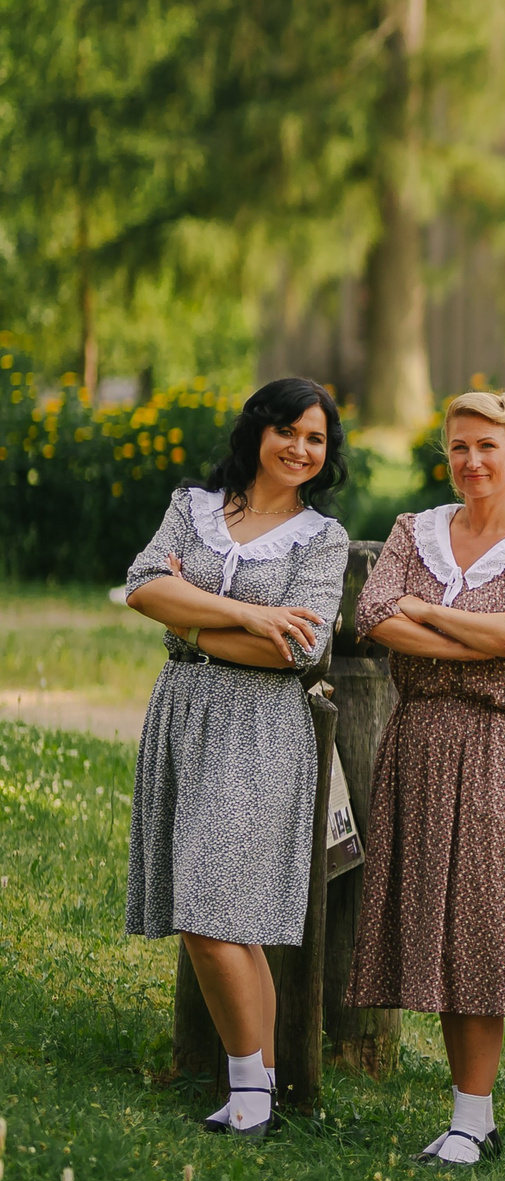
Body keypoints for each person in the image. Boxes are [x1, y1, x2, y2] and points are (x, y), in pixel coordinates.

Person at [124, 378, 353, 1139]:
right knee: (222, 918)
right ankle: (253, 1085)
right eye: (287, 429)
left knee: (215, 909)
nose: (299, 447)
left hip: (261, 727)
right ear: (259, 430)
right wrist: (250, 612)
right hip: (185, 713)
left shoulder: (322, 538)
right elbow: (143, 586)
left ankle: (252, 1089)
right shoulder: (192, 506)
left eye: (315, 438)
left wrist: (191, 618)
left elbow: (302, 648)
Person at [348, 390, 505, 1167]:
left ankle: (476, 1117)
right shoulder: (416, 531)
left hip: (498, 747)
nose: (473, 461)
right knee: (433, 924)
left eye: (488, 446)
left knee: (481, 922)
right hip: (419, 740)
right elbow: (372, 614)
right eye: (459, 447)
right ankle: (463, 1113)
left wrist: (424, 612)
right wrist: (470, 628)